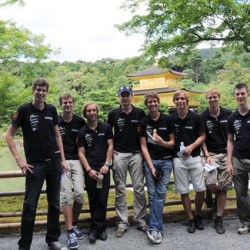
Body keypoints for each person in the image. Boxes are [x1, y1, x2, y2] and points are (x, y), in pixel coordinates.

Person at [5, 78, 68, 250]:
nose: (41, 93)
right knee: (30, 205)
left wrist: (62, 159)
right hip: (35, 165)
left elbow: (57, 136)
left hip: (54, 162)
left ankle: (52, 239)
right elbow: (8, 135)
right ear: (33, 89)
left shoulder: (52, 109)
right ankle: (24, 245)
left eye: (44, 90)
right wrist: (19, 159)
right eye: (38, 89)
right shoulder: (24, 110)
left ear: (47, 92)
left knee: (54, 203)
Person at [107, 86, 147, 238]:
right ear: (119, 97)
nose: (125, 98)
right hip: (120, 154)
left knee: (138, 187)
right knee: (120, 189)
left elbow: (144, 134)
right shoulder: (113, 114)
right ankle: (122, 222)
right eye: (122, 95)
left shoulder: (140, 113)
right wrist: (112, 150)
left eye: (127, 95)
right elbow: (108, 134)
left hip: (136, 154)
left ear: (132, 96)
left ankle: (140, 219)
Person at [139, 92, 175, 244]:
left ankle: (154, 228)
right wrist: (151, 166)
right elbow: (143, 146)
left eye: (154, 101)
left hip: (166, 161)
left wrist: (161, 142)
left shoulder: (168, 119)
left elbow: (172, 143)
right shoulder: (143, 122)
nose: (152, 104)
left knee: (160, 194)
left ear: (158, 102)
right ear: (146, 105)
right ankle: (156, 226)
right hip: (150, 161)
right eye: (149, 102)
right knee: (153, 195)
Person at [77, 103, 113, 243]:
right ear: (85, 113)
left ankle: (100, 229)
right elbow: (81, 153)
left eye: (93, 110)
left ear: (97, 112)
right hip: (90, 170)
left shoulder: (106, 127)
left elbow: (110, 146)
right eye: (89, 111)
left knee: (102, 198)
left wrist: (107, 164)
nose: (92, 113)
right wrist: (89, 170)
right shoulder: (82, 132)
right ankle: (95, 229)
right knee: (93, 198)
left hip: (104, 168)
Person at [171, 90, 206, 233]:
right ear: (174, 102)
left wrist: (192, 147)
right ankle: (190, 218)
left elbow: (202, 136)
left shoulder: (196, 117)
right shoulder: (171, 119)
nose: (180, 101)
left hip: (195, 156)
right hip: (178, 159)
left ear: (187, 100)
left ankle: (198, 214)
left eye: (182, 98)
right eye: (177, 99)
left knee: (200, 189)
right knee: (183, 190)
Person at [201, 88, 232, 234]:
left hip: (226, 153)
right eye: (210, 98)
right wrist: (206, 155)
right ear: (206, 99)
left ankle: (219, 217)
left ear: (219, 98)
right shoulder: (203, 116)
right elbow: (202, 138)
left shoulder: (228, 114)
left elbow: (232, 137)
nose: (212, 100)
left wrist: (231, 156)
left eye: (215, 97)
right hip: (211, 154)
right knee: (210, 182)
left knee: (224, 186)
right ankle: (215, 203)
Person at [58, 94, 86, 249]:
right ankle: (69, 231)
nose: (67, 105)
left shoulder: (79, 121)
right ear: (61, 104)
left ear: (73, 104)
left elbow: (85, 142)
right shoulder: (56, 121)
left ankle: (74, 223)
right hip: (61, 161)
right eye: (64, 103)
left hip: (76, 160)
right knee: (66, 196)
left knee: (80, 195)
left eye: (70, 102)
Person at [227, 83, 250, 235]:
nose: (240, 96)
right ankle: (246, 222)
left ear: (247, 94)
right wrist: (229, 162)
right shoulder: (231, 118)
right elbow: (230, 140)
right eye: (237, 94)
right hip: (238, 159)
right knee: (240, 194)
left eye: (243, 93)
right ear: (234, 96)